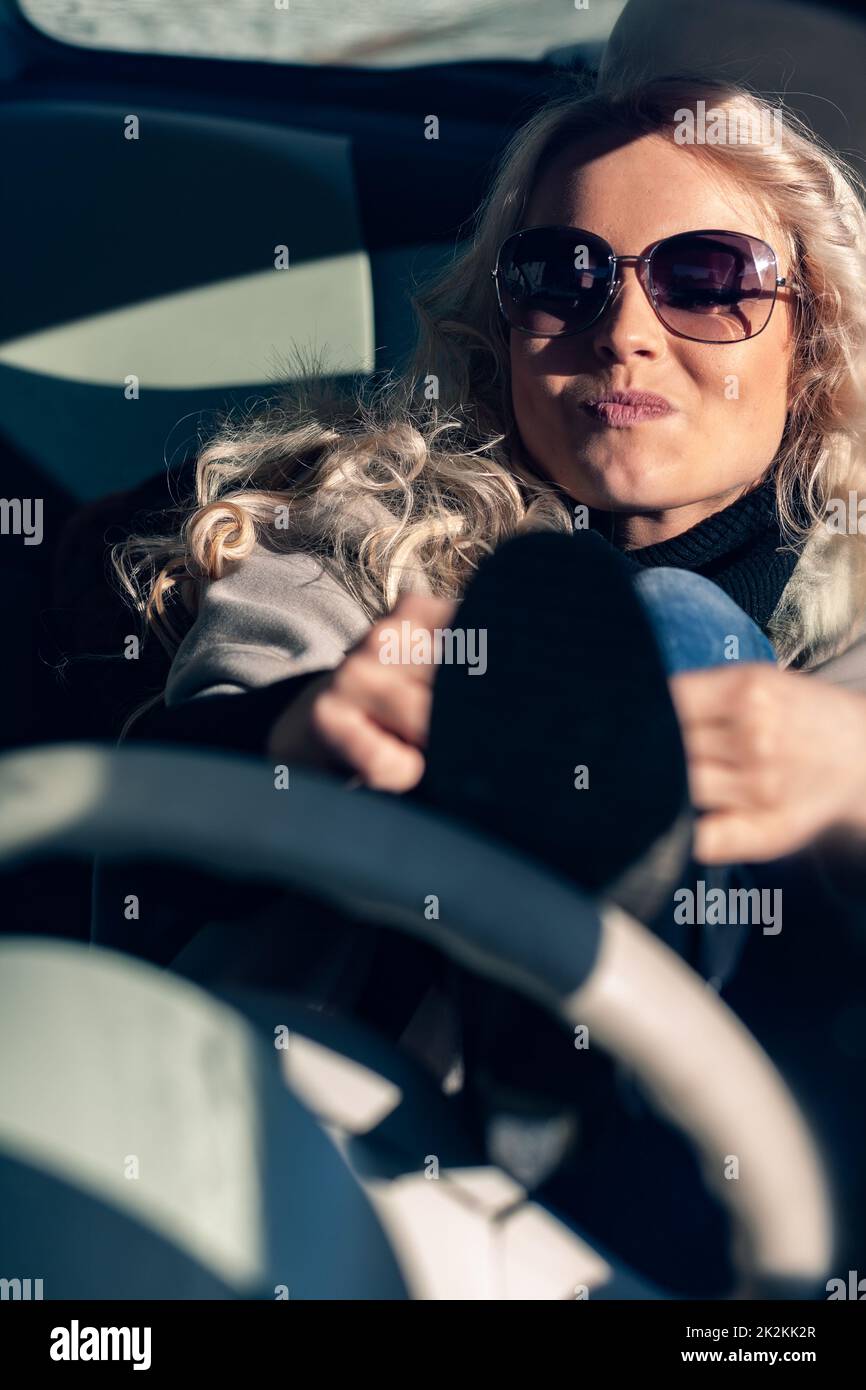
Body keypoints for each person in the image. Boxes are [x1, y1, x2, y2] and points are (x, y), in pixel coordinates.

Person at [104, 73, 866, 1290]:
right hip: (356, 1165)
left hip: (757, 1203)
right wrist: (303, 736)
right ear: (502, 320)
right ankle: (558, 1035)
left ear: (808, 332)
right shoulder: (362, 551)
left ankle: (580, 1053)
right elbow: (141, 827)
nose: (619, 329)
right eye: (561, 275)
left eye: (706, 279)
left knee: (671, 624)